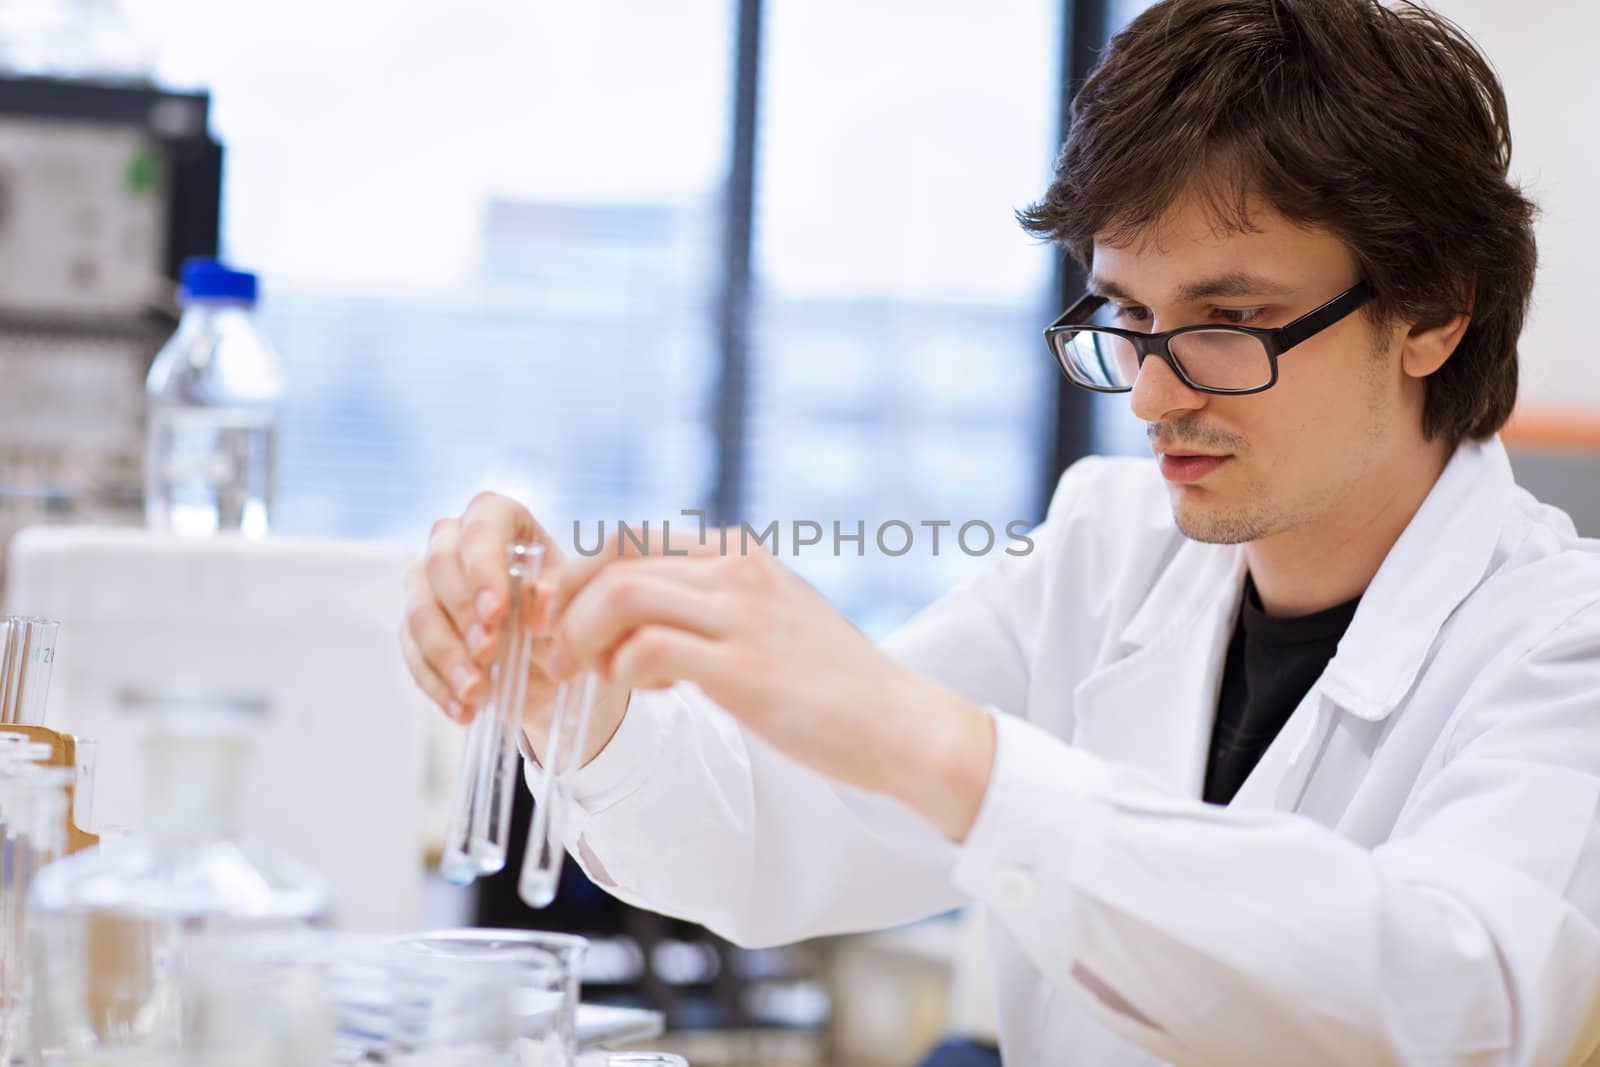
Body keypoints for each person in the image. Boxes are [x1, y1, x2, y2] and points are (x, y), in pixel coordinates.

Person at [401, 0, 1600, 1062]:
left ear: (1435, 308)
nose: (1149, 394)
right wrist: (574, 691)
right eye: (1128, 314)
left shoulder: (1562, 642)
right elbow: (770, 837)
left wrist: (940, 749)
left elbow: (1465, 1004)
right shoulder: (1110, 542)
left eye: (1230, 319)